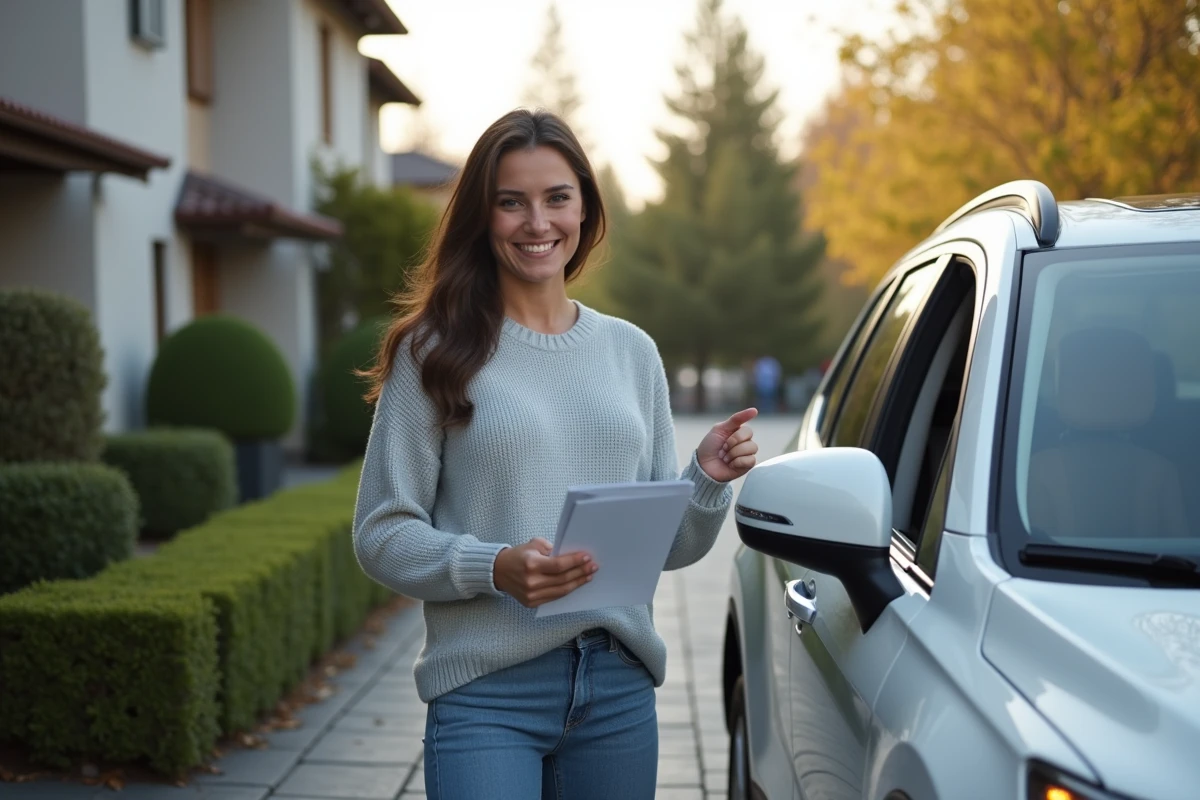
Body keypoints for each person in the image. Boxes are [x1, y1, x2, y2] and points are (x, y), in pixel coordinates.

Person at [352, 108, 758, 800]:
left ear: (584, 209)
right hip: (486, 694)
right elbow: (381, 535)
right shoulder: (433, 352)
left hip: (617, 689)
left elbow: (671, 547)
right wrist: (494, 567)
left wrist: (706, 480)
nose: (537, 223)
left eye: (556, 198)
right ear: (483, 219)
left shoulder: (632, 352)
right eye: (511, 202)